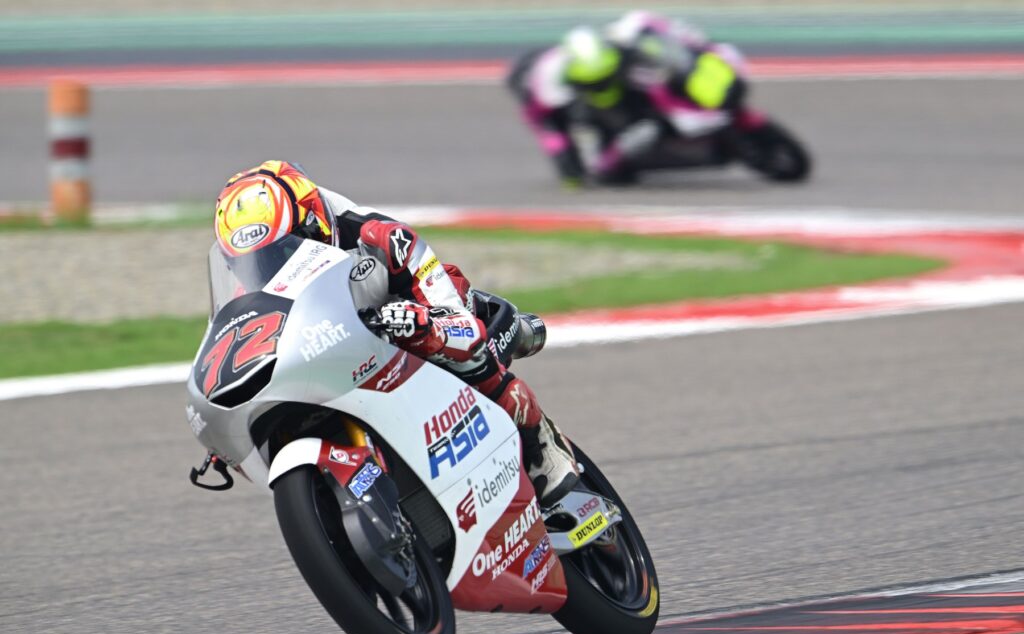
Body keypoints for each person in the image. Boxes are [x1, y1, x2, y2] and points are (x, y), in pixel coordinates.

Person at [213, 160, 579, 506]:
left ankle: (541, 444)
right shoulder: (251, 294)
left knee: (465, 352)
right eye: (252, 262)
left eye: (282, 251)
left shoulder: (382, 237)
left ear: (314, 225)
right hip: (346, 359)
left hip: (416, 322)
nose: (271, 267)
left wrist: (424, 324)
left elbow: (460, 322)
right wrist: (229, 421)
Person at [507, 10, 748, 186]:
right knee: (600, 172)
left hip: (629, 99)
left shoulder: (622, 46)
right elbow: (546, 128)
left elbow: (660, 33)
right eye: (595, 83)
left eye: (606, 78)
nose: (602, 85)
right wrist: (565, 161)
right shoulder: (547, 87)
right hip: (590, 118)